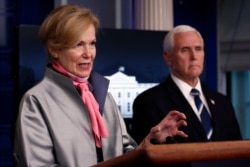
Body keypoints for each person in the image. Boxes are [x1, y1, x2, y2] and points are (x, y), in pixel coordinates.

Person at [13, 5, 188, 167]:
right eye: (78, 44)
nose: (88, 54)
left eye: (92, 43)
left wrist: (152, 140)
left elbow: (125, 157)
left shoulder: (104, 97)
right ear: (54, 49)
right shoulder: (36, 101)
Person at [131, 25, 242, 145]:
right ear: (168, 58)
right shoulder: (149, 102)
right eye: (185, 50)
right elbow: (142, 154)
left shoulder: (222, 102)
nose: (194, 57)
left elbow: (238, 149)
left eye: (198, 49)